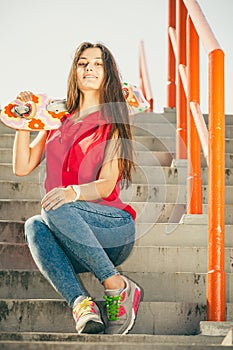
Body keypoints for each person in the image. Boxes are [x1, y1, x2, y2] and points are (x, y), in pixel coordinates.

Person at [13, 42, 141, 335]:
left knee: (53, 204)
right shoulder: (57, 121)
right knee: (34, 224)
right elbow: (22, 166)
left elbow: (108, 183)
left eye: (98, 64)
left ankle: (115, 284)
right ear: (75, 71)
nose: (90, 69)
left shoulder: (114, 121)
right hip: (69, 234)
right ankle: (82, 305)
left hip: (113, 228)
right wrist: (23, 120)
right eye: (83, 63)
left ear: (108, 73)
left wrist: (72, 192)